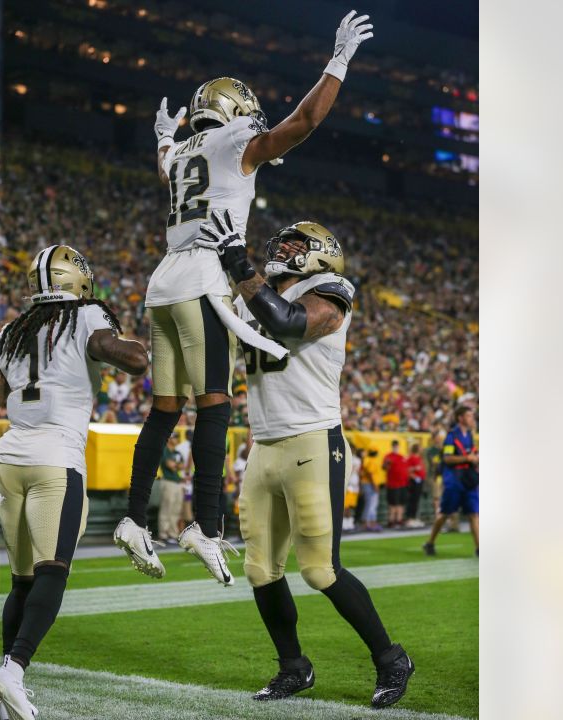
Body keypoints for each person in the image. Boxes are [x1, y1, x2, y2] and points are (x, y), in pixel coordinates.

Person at [113, 8, 375, 586]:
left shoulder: (181, 152)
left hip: (162, 282)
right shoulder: (236, 143)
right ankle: (205, 526)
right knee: (214, 403)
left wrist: (163, 135)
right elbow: (303, 121)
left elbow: (167, 166)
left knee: (163, 410)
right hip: (205, 276)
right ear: (234, 114)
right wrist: (338, 61)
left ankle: (134, 518)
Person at [201, 210, 415, 708]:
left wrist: (239, 264)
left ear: (320, 253)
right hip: (264, 444)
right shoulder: (250, 297)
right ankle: (293, 668)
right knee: (260, 568)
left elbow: (289, 322)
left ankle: (391, 659)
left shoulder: (330, 290)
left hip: (312, 440)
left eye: (296, 245)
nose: (283, 251)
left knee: (320, 570)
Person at [0, 245, 149, 719]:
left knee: (21, 581)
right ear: (76, 279)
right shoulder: (85, 315)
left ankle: (1, 681)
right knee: (53, 571)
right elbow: (128, 359)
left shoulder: (11, 330)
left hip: (7, 455)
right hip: (56, 457)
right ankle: (13, 670)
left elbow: (2, 391)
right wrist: (140, 345)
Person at [423, 406, 479, 557]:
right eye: (469, 416)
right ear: (460, 418)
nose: (472, 419)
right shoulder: (451, 436)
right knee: (445, 514)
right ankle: (430, 542)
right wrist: (467, 458)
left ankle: (479, 548)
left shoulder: (470, 435)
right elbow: (447, 458)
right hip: (454, 480)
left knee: (474, 514)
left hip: (468, 480)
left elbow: (472, 454)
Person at [158, 434, 186, 543]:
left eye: (177, 437)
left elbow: (181, 466)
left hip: (177, 482)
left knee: (176, 509)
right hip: (168, 481)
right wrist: (176, 465)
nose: (176, 439)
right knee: (167, 508)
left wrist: (176, 465)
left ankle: (173, 533)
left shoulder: (176, 452)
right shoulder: (165, 450)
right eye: (174, 437)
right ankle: (163, 534)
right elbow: (170, 465)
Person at [382, 441, 409, 528]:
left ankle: (399, 520)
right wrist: (387, 464)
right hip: (393, 484)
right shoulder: (388, 457)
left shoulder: (401, 457)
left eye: (397, 446)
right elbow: (384, 467)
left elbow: (405, 469)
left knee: (401, 503)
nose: (396, 448)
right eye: (394, 446)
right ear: (392, 446)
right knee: (393, 503)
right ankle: (391, 520)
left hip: (403, 484)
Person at [404, 442, 427, 528]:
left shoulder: (419, 458)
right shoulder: (411, 458)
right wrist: (415, 476)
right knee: (412, 500)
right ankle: (410, 519)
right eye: (420, 447)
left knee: (416, 500)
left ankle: (414, 517)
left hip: (420, 481)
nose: (422, 449)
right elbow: (407, 469)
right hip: (414, 482)